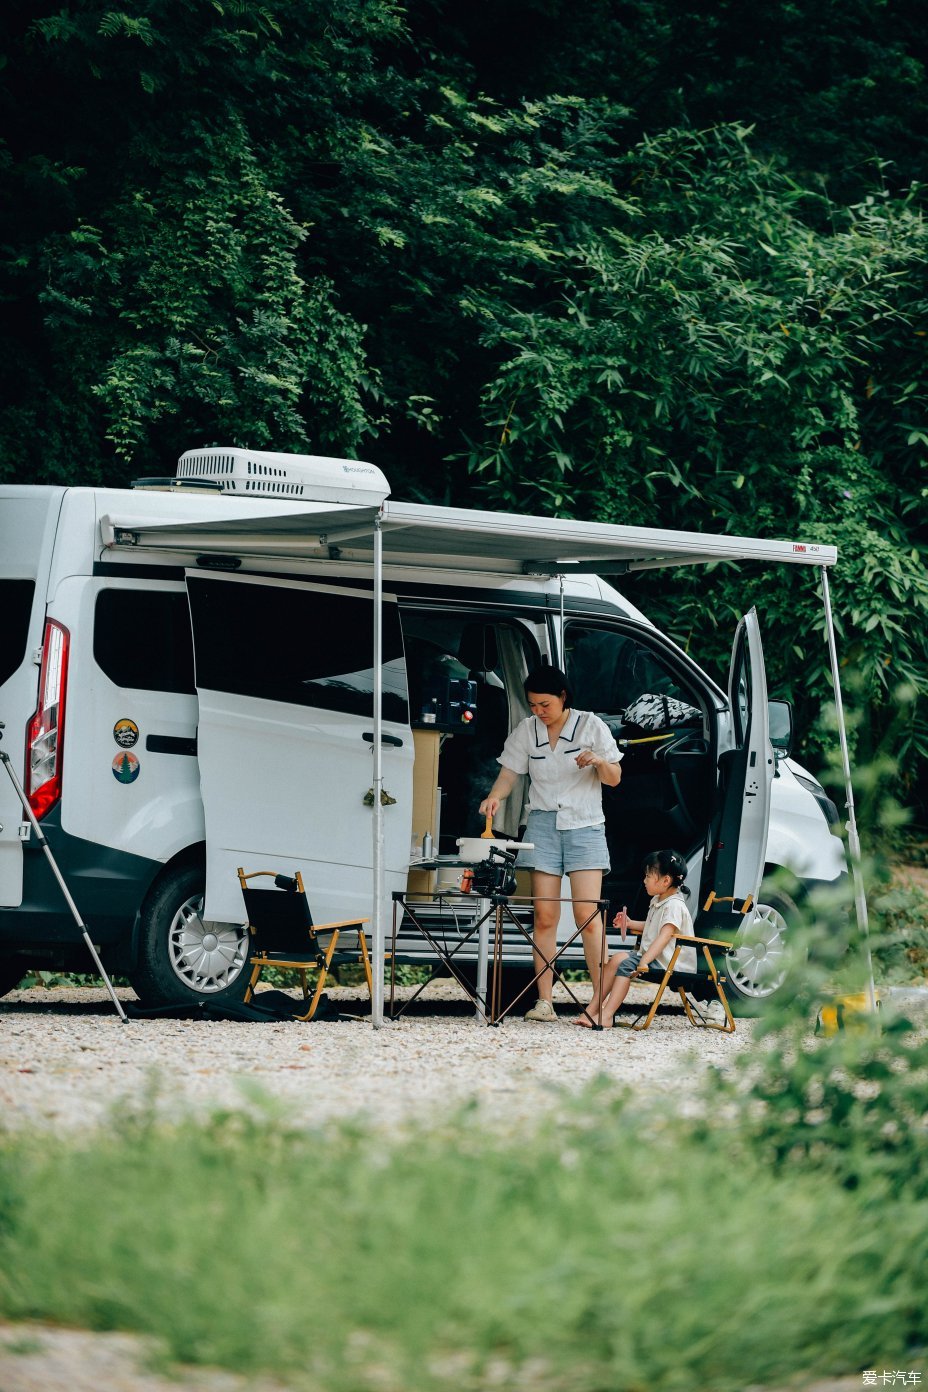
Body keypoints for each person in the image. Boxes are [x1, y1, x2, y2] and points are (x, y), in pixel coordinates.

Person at [479, 664, 622, 1022]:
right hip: (542, 824)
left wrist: (599, 762)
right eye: (532, 705)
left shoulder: (591, 725)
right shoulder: (527, 730)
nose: (538, 712)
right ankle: (545, 1002)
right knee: (544, 917)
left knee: (588, 917)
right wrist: (495, 797)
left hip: (585, 825)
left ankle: (600, 1003)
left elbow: (615, 778)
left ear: (563, 697)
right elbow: (509, 772)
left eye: (545, 704)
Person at [581, 848, 695, 1029]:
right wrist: (630, 923)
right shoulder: (659, 900)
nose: (644, 880)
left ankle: (608, 1015)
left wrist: (644, 960)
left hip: (669, 962)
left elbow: (665, 936)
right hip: (656, 958)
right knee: (616, 959)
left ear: (665, 880)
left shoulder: (674, 906)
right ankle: (592, 1010)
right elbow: (652, 927)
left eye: (649, 876)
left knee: (625, 965)